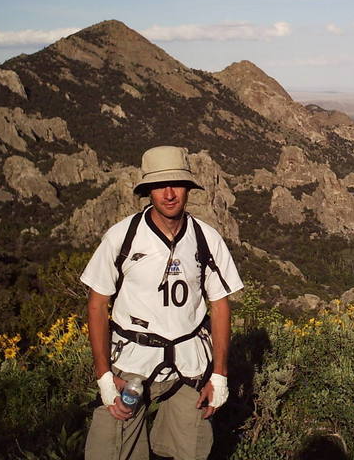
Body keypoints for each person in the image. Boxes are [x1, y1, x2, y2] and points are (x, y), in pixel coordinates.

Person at [81, 145, 243, 460]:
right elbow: (97, 305)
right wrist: (103, 376)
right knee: (109, 451)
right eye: (159, 185)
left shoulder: (207, 239)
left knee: (191, 452)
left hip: (189, 366)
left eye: (176, 184)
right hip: (131, 365)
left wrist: (219, 376)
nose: (169, 194)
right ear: (148, 191)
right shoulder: (122, 237)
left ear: (188, 188)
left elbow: (220, 305)